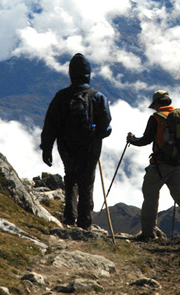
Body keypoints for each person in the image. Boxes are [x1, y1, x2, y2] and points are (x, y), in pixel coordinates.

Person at [41, 53, 112, 229]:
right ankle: (84, 223)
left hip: (66, 147)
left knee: (70, 179)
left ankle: (69, 217)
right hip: (90, 147)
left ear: (71, 74)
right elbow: (106, 126)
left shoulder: (61, 96)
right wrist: (100, 134)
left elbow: (50, 125)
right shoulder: (98, 97)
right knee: (86, 183)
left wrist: (46, 149)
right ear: (88, 74)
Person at [127, 90, 180, 239]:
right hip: (179, 163)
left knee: (150, 195)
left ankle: (148, 232)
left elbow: (145, 140)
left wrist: (131, 140)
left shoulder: (156, 118)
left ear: (157, 103)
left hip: (160, 165)